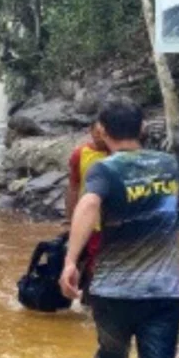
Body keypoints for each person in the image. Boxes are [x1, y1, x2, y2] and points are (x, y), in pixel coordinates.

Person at [59, 99, 179, 358]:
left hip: (113, 292)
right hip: (163, 291)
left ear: (102, 131)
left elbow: (89, 203)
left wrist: (70, 261)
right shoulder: (169, 164)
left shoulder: (103, 169)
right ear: (143, 127)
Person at [66, 120, 109, 304]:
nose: (100, 137)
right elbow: (73, 186)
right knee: (92, 261)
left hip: (111, 217)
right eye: (97, 132)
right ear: (90, 132)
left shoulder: (116, 154)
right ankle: (89, 301)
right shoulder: (80, 154)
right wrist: (71, 218)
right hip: (90, 219)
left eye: (104, 133)